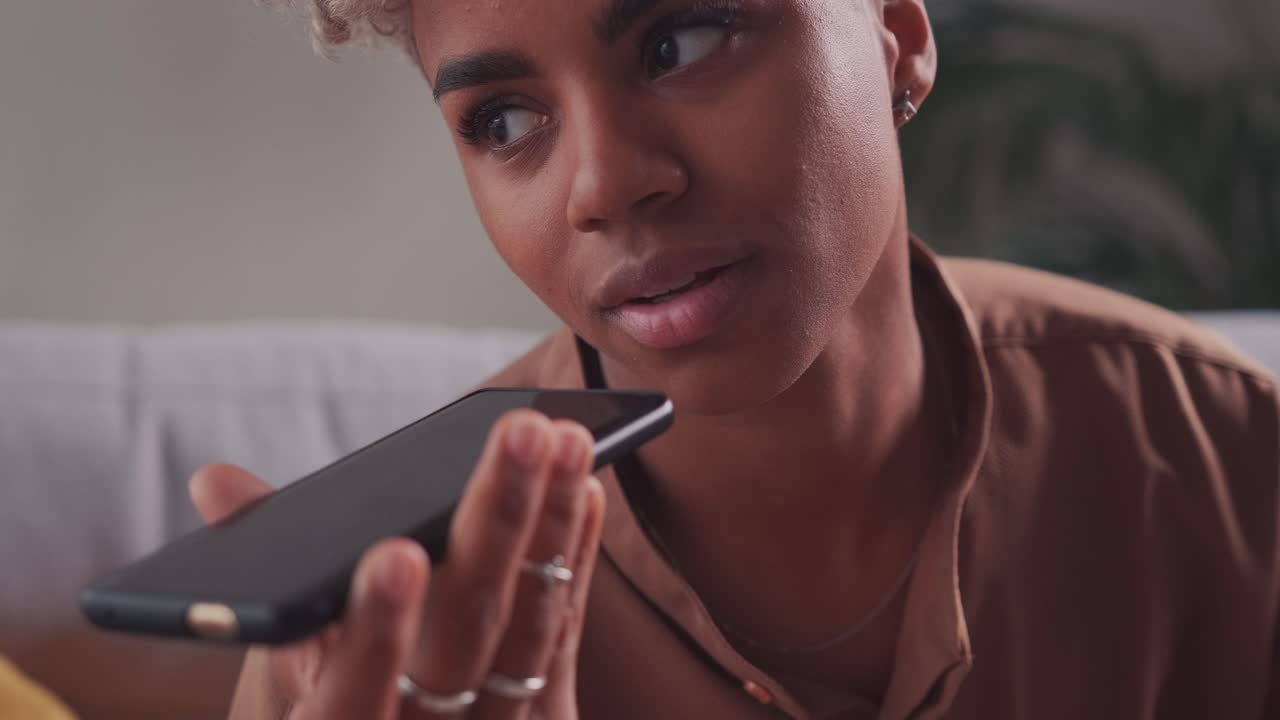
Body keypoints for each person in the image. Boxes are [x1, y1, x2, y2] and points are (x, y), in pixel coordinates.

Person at [189, 1, 1280, 718]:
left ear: (894, 32)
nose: (603, 185)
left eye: (680, 42)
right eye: (505, 119)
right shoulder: (374, 634)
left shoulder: (1229, 460)